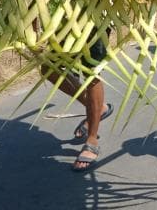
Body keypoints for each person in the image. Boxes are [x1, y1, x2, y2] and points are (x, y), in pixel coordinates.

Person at [40, 42, 113, 170]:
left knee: (91, 72)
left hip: (92, 25)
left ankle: (92, 140)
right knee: (48, 69)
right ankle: (97, 109)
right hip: (61, 24)